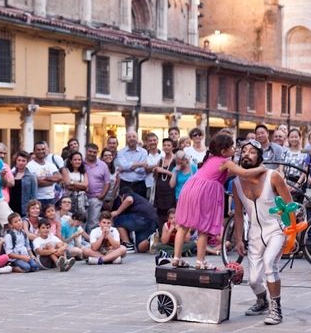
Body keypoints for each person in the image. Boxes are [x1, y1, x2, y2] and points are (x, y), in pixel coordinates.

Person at [172, 135, 266, 269]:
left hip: (190, 188)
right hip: (204, 192)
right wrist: (261, 169)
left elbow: (222, 174)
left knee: (183, 226)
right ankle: (200, 261)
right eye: (232, 147)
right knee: (203, 228)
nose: (234, 148)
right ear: (223, 152)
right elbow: (245, 173)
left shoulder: (211, 159)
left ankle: (176, 258)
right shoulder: (225, 161)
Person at [233, 140, 293, 325]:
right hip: (254, 233)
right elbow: (238, 214)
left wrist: (291, 234)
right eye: (244, 151)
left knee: (269, 264)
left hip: (275, 229)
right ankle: (262, 301)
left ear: (259, 156)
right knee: (253, 280)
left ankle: (276, 310)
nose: (246, 154)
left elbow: (290, 206)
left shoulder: (272, 176)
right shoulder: (236, 182)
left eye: (251, 151)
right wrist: (239, 240)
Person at [111, 187, 159, 253]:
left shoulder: (129, 195)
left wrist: (117, 212)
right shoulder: (140, 200)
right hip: (152, 223)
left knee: (117, 221)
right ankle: (150, 240)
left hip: (142, 218)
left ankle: (128, 245)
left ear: (122, 195)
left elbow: (129, 200)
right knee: (140, 248)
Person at [27, 142, 62, 208]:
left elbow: (59, 177)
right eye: (38, 149)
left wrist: (45, 177)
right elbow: (37, 182)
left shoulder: (51, 165)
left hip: (51, 198)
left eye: (43, 149)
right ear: (34, 151)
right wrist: (52, 181)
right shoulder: (30, 165)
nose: (41, 151)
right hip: (38, 198)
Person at [83, 143, 110, 230]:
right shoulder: (80, 163)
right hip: (82, 197)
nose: (92, 154)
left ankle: (92, 241)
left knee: (93, 221)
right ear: (86, 151)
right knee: (82, 220)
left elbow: (107, 182)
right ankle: (81, 241)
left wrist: (103, 195)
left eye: (94, 152)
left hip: (96, 198)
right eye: (90, 151)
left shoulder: (103, 165)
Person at [117, 131, 149, 198]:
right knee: (125, 206)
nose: (132, 138)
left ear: (137, 139)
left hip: (140, 184)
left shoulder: (143, 152)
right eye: (129, 137)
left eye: (134, 136)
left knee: (140, 207)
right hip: (125, 184)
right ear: (126, 139)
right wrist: (140, 164)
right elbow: (124, 166)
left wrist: (127, 168)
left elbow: (142, 169)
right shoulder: (121, 152)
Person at [10, 150, 33, 215]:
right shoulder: (11, 174)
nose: (21, 163)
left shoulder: (31, 176)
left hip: (24, 208)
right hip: (11, 206)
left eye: (23, 161)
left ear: (27, 162)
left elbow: (34, 196)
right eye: (19, 160)